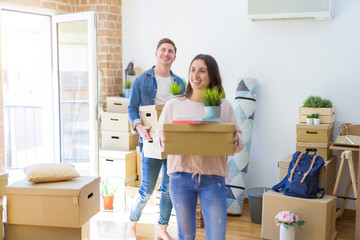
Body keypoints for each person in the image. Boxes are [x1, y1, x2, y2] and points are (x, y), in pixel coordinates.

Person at [155, 54, 245, 240]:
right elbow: (158, 140)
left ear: (212, 76)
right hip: (180, 177)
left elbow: (238, 146)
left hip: (213, 178)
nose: (195, 75)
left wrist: (235, 139)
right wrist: (163, 139)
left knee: (216, 237)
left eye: (202, 70)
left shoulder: (224, 107)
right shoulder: (174, 105)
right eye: (192, 70)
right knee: (186, 236)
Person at [127, 38, 186, 240]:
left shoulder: (179, 83)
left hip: (173, 143)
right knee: (146, 190)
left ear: (174, 57)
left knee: (169, 189)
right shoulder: (142, 80)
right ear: (156, 53)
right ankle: (132, 224)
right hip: (150, 141)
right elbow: (132, 108)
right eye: (163, 50)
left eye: (170, 51)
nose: (166, 54)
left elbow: (183, 111)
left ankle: (162, 230)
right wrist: (140, 127)